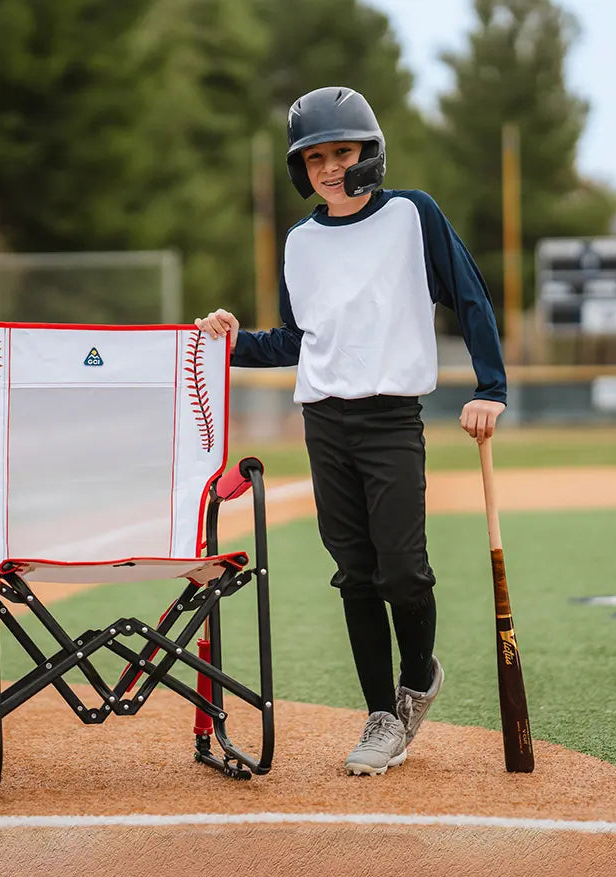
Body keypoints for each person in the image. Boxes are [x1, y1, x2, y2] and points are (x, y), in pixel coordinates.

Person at [195, 85, 506, 775]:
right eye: (316, 158)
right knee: (355, 575)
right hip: (323, 421)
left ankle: (419, 677)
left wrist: (490, 388)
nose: (331, 168)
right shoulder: (301, 243)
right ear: (299, 168)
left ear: (372, 153)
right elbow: (295, 341)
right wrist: (231, 340)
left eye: (344, 152)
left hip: (390, 417)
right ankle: (380, 717)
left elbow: (470, 296)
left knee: (403, 570)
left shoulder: (412, 216)